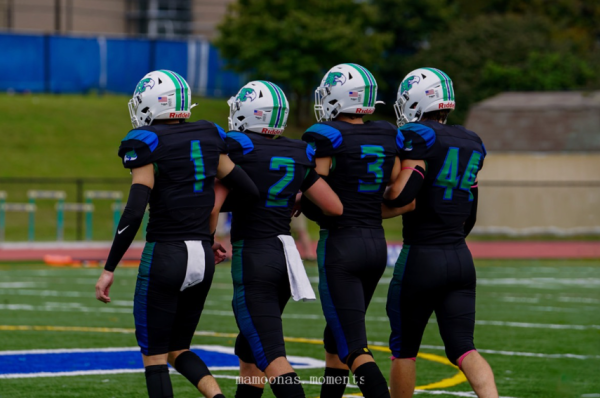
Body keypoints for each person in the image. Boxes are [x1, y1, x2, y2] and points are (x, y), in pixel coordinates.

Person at [94, 70, 259, 398]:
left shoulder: (146, 141)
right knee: (178, 348)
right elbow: (248, 191)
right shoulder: (211, 132)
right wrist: (205, 220)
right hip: (201, 254)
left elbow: (134, 209)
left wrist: (109, 267)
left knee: (154, 356)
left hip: (166, 254)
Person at [213, 80, 343, 398]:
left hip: (254, 256)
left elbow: (213, 204)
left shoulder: (237, 148)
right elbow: (334, 206)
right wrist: (295, 198)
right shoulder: (297, 151)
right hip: (285, 257)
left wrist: (207, 240)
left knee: (271, 355)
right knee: (248, 350)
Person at [384, 68, 498, 398]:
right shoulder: (472, 140)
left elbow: (403, 195)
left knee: (404, 348)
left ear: (419, 101)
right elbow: (471, 211)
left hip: (422, 255)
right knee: (464, 348)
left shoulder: (418, 136)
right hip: (461, 257)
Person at [301, 63, 405, 398]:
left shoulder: (325, 135)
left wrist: (299, 201)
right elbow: (396, 185)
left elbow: (315, 187)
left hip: (341, 245)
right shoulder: (388, 133)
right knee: (336, 338)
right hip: (376, 244)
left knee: (352, 347)